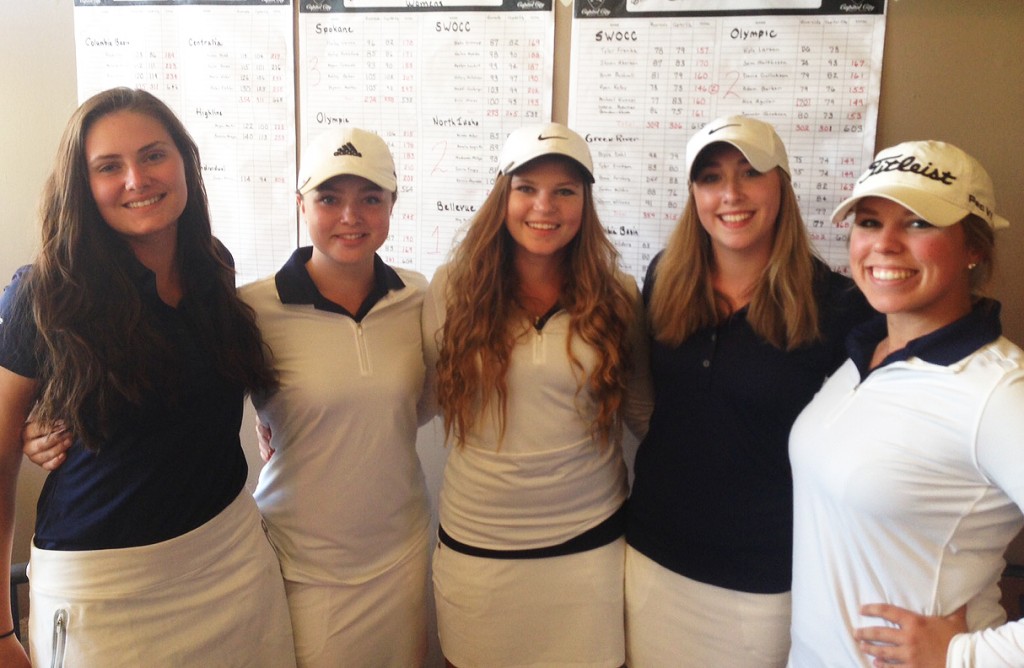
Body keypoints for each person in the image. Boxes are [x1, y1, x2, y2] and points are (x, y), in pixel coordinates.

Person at [0, 87, 295, 667]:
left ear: (184, 161)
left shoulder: (213, 265)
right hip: (106, 595)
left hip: (232, 561)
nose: (137, 179)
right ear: (82, 187)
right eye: (109, 167)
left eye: (154, 155)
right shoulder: (44, 294)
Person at [623, 115, 873, 667]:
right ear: (694, 195)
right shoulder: (665, 277)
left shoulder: (839, 307)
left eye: (750, 173)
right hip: (652, 555)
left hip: (765, 577)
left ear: (781, 184)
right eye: (711, 177)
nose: (730, 194)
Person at [422, 121, 652, 667]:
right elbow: (424, 391)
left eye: (564, 191)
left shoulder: (618, 293)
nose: (543, 206)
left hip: (591, 546)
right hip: (479, 548)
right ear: (503, 194)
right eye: (527, 188)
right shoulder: (453, 287)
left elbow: (643, 408)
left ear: (585, 201)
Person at [788, 140, 1024, 667]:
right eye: (869, 222)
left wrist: (966, 655)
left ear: (974, 248)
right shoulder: (862, 351)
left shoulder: (999, 394)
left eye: (919, 223)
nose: (886, 244)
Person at [242, 127, 432, 667]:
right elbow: (190, 405)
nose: (351, 216)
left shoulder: (419, 297)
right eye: (329, 199)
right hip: (299, 561)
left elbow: (423, 402)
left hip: (399, 552)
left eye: (370, 198)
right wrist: (50, 421)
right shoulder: (253, 309)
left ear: (393, 204)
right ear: (301, 204)